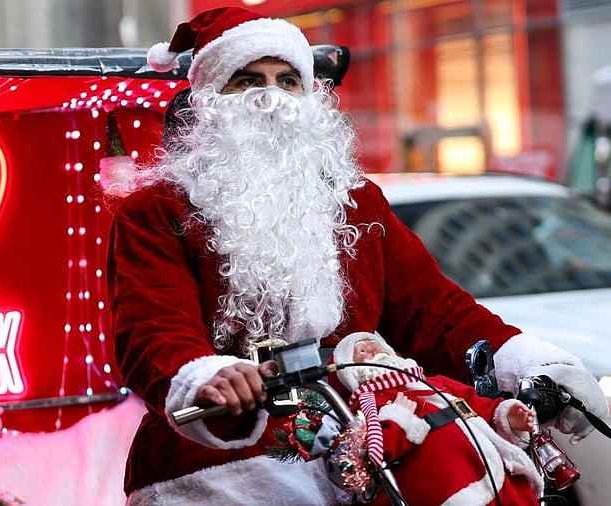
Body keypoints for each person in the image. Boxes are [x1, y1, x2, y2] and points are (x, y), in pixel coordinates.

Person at [106, 6, 609, 504]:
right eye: (247, 80)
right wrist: (207, 377)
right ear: (210, 98)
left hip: (360, 441)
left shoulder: (354, 200)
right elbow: (153, 329)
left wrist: (525, 360)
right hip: (220, 464)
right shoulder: (157, 210)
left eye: (288, 81)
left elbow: (433, 309)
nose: (272, 98)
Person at [330, 331, 542, 505]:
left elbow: (472, 402)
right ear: (350, 369)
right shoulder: (368, 401)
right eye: (363, 350)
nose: (374, 351)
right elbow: (375, 453)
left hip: (494, 471)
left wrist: (506, 415)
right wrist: (399, 419)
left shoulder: (431, 382)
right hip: (447, 486)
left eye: (375, 345)